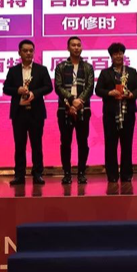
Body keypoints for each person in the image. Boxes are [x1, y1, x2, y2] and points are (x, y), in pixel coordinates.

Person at [3, 40, 53, 185]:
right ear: (19, 52)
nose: (28, 53)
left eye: (31, 50)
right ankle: (19, 175)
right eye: (25, 51)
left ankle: (38, 174)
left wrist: (34, 93)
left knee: (37, 145)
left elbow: (48, 87)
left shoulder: (41, 69)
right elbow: (6, 88)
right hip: (19, 113)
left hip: (36, 113)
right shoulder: (13, 71)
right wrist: (17, 90)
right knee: (19, 145)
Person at [95, 42, 137, 183]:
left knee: (127, 145)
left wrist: (131, 95)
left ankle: (127, 174)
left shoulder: (131, 72)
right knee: (110, 145)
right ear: (111, 56)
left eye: (120, 53)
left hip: (128, 113)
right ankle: (112, 174)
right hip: (111, 114)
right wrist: (109, 92)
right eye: (115, 53)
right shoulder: (105, 73)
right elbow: (98, 90)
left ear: (123, 55)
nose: (118, 56)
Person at [55, 36, 94, 184]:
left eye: (78, 45)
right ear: (68, 48)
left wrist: (79, 102)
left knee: (83, 142)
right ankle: (67, 173)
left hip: (83, 109)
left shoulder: (88, 67)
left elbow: (90, 87)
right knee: (65, 143)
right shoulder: (61, 67)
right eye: (73, 45)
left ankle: (81, 172)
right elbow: (58, 87)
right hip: (65, 109)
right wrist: (72, 100)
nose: (76, 47)